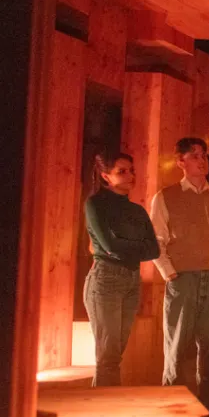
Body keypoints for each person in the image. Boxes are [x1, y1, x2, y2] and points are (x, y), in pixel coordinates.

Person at [150, 137, 209, 417]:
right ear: (181, 162)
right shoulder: (165, 196)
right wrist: (169, 271)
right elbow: (157, 239)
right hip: (182, 277)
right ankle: (172, 400)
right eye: (195, 155)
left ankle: (208, 398)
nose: (203, 161)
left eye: (205, 156)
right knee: (178, 341)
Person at [83, 151, 160, 387]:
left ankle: (104, 408)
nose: (130, 175)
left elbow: (154, 250)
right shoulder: (96, 204)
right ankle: (103, 412)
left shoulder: (137, 211)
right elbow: (109, 245)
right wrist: (135, 247)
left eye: (131, 170)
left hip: (131, 279)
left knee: (115, 353)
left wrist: (123, 247)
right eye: (122, 171)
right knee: (108, 355)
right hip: (106, 278)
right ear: (106, 176)